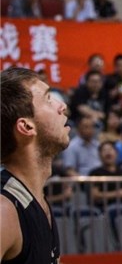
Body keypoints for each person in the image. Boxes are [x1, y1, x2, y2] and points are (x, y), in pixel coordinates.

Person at [1, 67, 71, 263]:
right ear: (26, 126)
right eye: (48, 98)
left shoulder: (36, 198)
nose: (62, 105)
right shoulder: (4, 210)